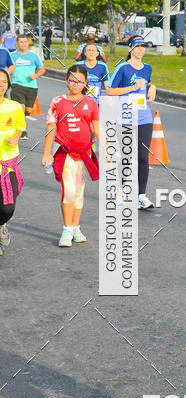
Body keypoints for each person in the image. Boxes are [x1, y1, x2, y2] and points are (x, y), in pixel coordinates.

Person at [42, 65, 99, 247]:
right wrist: (46, 152)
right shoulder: (57, 101)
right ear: (67, 80)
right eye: (72, 80)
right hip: (65, 153)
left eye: (80, 81)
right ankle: (67, 229)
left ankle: (75, 227)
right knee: (69, 191)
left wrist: (107, 149)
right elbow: (50, 127)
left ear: (85, 83)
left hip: (85, 153)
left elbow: (96, 128)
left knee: (80, 193)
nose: (76, 84)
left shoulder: (91, 103)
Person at [106, 36, 156, 210]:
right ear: (130, 49)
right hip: (126, 115)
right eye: (137, 47)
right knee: (126, 156)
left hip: (144, 116)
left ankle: (141, 195)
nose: (141, 50)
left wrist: (152, 87)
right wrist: (133, 88)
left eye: (143, 47)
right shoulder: (123, 68)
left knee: (143, 157)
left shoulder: (148, 68)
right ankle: (119, 191)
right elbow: (110, 90)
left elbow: (147, 84)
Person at [0, 69, 25, 254]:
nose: (1, 84)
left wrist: (16, 136)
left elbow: (19, 127)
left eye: (3, 81)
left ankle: (1, 223)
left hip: (8, 162)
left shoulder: (14, 106)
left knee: (8, 207)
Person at [9, 33, 46, 140]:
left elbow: (42, 69)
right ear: (17, 43)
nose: (23, 44)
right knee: (21, 108)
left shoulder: (34, 56)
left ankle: (18, 120)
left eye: (25, 42)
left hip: (31, 86)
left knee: (28, 110)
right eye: (21, 42)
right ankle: (22, 130)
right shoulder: (12, 55)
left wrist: (36, 75)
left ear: (28, 43)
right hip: (17, 85)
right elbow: (8, 69)